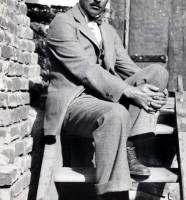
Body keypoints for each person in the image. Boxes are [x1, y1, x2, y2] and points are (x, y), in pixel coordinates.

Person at [44, 0, 169, 199]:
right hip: (75, 101)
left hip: (106, 99)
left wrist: (156, 94)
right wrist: (129, 91)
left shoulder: (107, 30)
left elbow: (128, 68)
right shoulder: (62, 24)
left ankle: (127, 144)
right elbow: (85, 70)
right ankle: (114, 193)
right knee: (115, 113)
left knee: (157, 73)